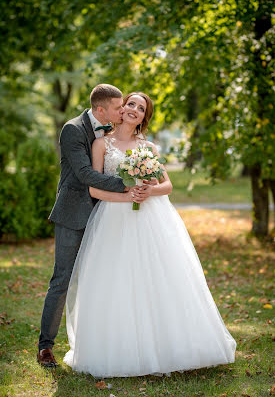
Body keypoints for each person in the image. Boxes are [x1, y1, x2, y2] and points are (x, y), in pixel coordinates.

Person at [63, 92, 237, 378]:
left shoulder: (149, 147)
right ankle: (120, 348)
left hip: (151, 219)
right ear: (121, 109)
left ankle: (168, 347)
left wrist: (147, 192)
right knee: (116, 281)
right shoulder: (100, 144)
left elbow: (166, 185)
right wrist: (127, 195)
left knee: (157, 278)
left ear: (144, 117)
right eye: (130, 104)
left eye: (140, 108)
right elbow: (94, 189)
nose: (133, 109)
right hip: (112, 221)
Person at [37, 84, 151, 367]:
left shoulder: (112, 131)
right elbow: (86, 174)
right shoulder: (73, 129)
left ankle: (105, 341)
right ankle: (45, 347)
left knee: (106, 280)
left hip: (109, 217)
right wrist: (129, 184)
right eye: (118, 107)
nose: (123, 109)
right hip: (74, 214)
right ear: (102, 110)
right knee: (62, 280)